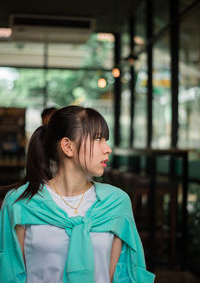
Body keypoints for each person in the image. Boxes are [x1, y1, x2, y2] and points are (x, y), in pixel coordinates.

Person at [0, 105, 155, 283]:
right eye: (98, 139)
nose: (107, 149)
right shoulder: (20, 203)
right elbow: (9, 274)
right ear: (68, 146)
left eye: (106, 139)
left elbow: (121, 276)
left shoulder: (116, 203)